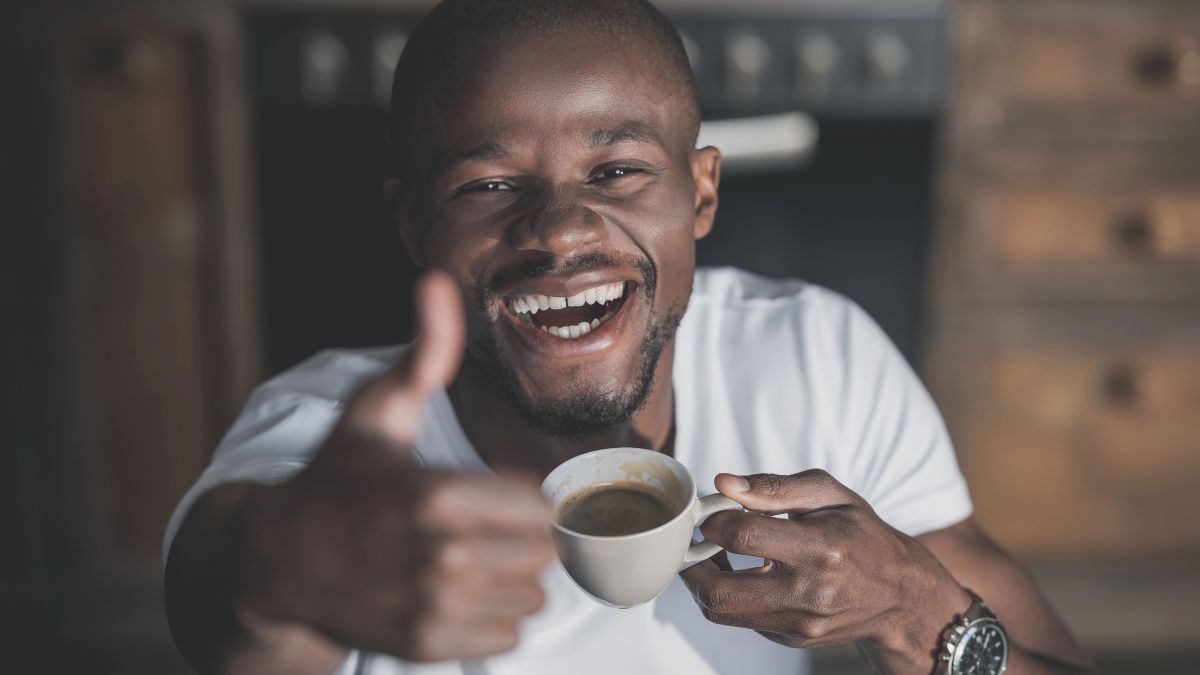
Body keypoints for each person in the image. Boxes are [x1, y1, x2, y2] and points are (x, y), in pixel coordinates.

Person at [163, 1, 1095, 674]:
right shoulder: (328, 435)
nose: (562, 231)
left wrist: (915, 612)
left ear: (701, 193)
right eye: (487, 186)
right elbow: (227, 604)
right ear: (413, 227)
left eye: (615, 170)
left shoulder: (816, 355)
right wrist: (291, 567)